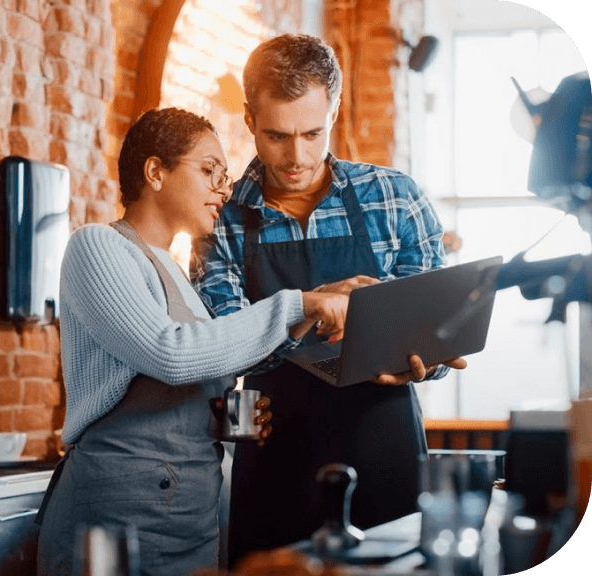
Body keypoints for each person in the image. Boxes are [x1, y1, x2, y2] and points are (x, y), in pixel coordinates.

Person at [35, 107, 374, 576]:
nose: (224, 188)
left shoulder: (175, 270)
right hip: (117, 516)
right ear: (155, 172)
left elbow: (189, 369)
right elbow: (170, 353)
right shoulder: (97, 246)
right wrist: (299, 305)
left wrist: (222, 419)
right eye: (209, 170)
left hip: (188, 516)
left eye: (226, 175)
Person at [191, 34, 467, 565]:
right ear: (249, 119)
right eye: (276, 135)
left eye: (312, 132)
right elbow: (223, 345)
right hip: (276, 455)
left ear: (334, 111)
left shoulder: (396, 198)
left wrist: (425, 363)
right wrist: (313, 304)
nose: (296, 156)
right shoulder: (218, 217)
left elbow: (435, 333)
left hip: (385, 444)